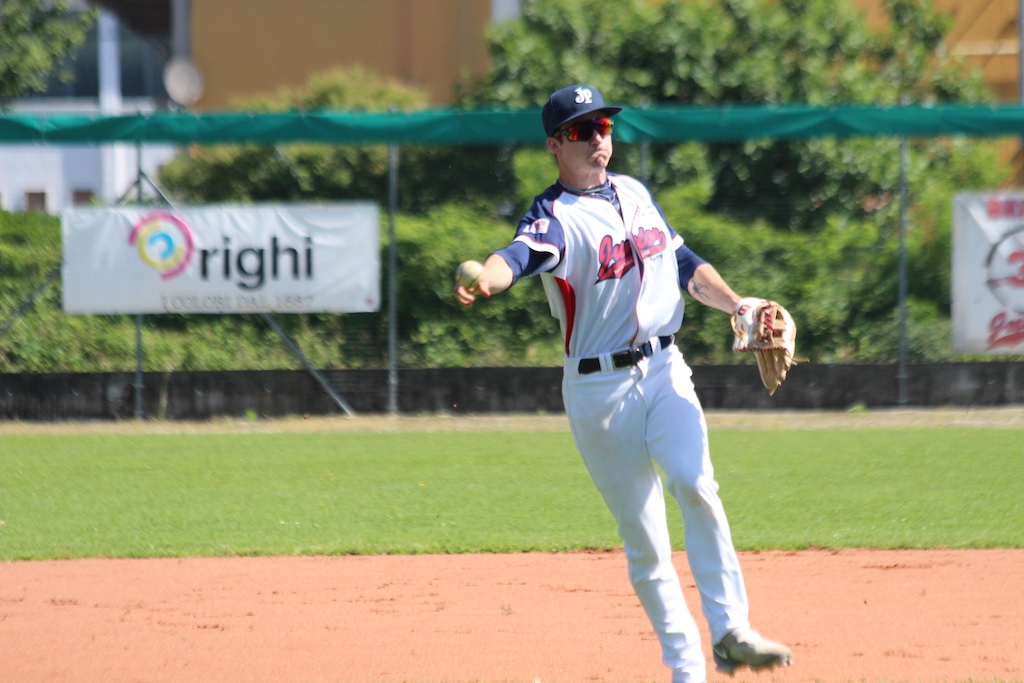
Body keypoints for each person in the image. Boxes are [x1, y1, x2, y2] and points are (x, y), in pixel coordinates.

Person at [454, 84, 792, 683]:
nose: (599, 140)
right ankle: (688, 668)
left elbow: (683, 264)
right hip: (598, 394)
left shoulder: (634, 193)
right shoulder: (554, 216)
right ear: (556, 144)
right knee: (646, 540)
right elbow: (517, 256)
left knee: (696, 483)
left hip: (664, 369)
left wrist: (737, 305)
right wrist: (489, 278)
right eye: (583, 131)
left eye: (605, 127)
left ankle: (731, 631)